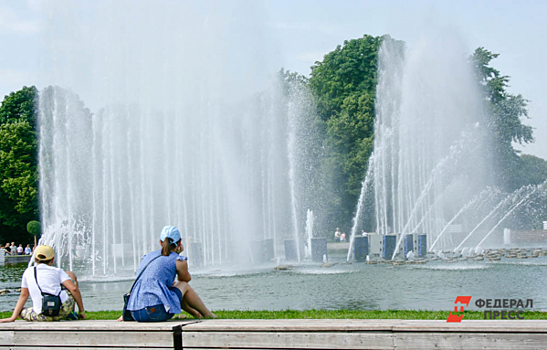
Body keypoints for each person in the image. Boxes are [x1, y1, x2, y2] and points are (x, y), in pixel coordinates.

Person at [121, 226, 216, 322]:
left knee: (172, 288)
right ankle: (207, 314)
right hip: (154, 312)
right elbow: (185, 279)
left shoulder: (148, 257)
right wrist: (178, 254)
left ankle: (196, 314)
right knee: (184, 286)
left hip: (135, 312)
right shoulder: (178, 260)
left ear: (160, 242)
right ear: (179, 243)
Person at [0, 245, 86, 323]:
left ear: (35, 259)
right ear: (52, 260)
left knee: (21, 312)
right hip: (62, 312)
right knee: (70, 275)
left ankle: (19, 314)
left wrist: (13, 317)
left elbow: (24, 295)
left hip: (40, 315)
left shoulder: (28, 272)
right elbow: (74, 289)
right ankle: (72, 313)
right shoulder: (57, 271)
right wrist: (81, 311)